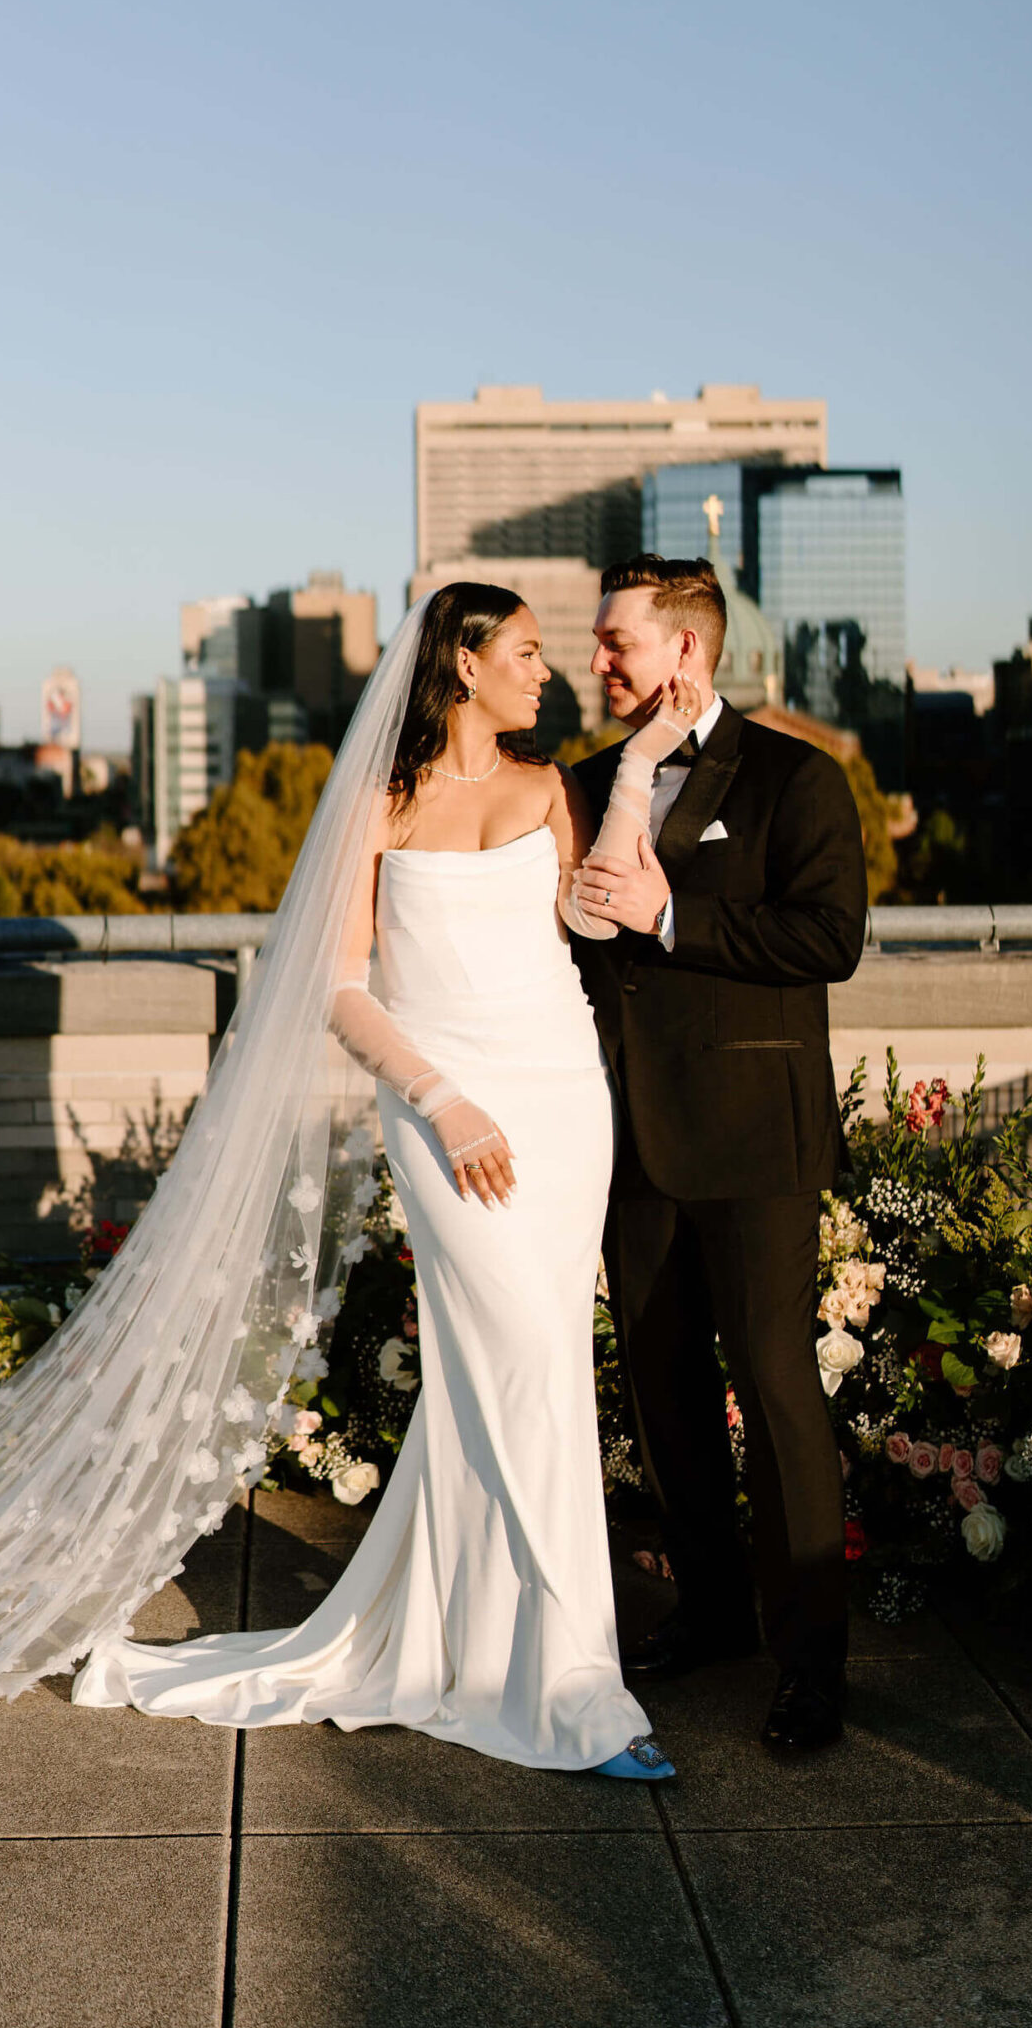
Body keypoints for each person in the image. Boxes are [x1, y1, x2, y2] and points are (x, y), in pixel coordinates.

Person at [76, 582, 695, 1777]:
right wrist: (443, 1098)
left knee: (531, 1371)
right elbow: (343, 988)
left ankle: (503, 1649)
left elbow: (597, 919)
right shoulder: (382, 800)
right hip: (442, 1109)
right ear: (462, 663)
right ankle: (575, 1686)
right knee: (519, 1368)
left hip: (563, 1104)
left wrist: (638, 772)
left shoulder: (552, 787)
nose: (544, 670)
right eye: (522, 650)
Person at [565, 555, 868, 1754]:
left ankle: (811, 1665)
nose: (597, 662)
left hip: (756, 1141)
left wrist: (670, 916)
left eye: (614, 641)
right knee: (664, 1389)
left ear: (684, 651)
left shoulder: (801, 777)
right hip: (628, 1137)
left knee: (780, 1396)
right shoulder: (585, 785)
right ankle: (712, 1610)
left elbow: (828, 937)